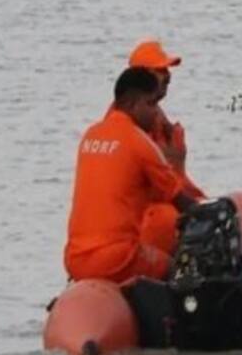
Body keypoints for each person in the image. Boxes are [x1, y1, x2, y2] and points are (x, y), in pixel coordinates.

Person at [64, 67, 199, 284]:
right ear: (131, 104)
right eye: (151, 104)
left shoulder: (90, 135)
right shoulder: (141, 143)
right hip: (117, 259)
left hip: (74, 259)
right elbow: (180, 200)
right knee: (177, 270)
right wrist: (213, 212)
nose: (156, 113)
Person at [127, 38, 205, 255]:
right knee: (171, 219)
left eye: (167, 70)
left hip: (171, 193)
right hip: (149, 211)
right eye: (160, 71)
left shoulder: (157, 117)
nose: (167, 76)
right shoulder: (130, 122)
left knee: (213, 210)